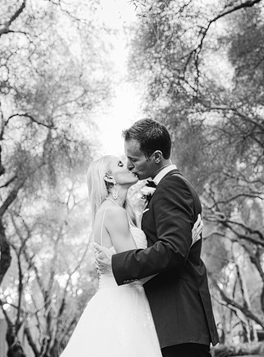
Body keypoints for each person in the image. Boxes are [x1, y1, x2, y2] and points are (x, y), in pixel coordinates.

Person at [95, 118, 218, 357]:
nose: (130, 166)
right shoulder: (160, 190)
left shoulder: (172, 187)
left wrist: (116, 264)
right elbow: (174, 246)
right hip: (168, 320)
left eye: (133, 159)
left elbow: (173, 250)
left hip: (179, 318)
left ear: (156, 157)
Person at [60, 155, 162, 357]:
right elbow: (138, 271)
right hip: (124, 304)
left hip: (114, 300)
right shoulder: (114, 213)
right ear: (108, 177)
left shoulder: (112, 211)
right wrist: (181, 247)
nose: (130, 166)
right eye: (121, 164)